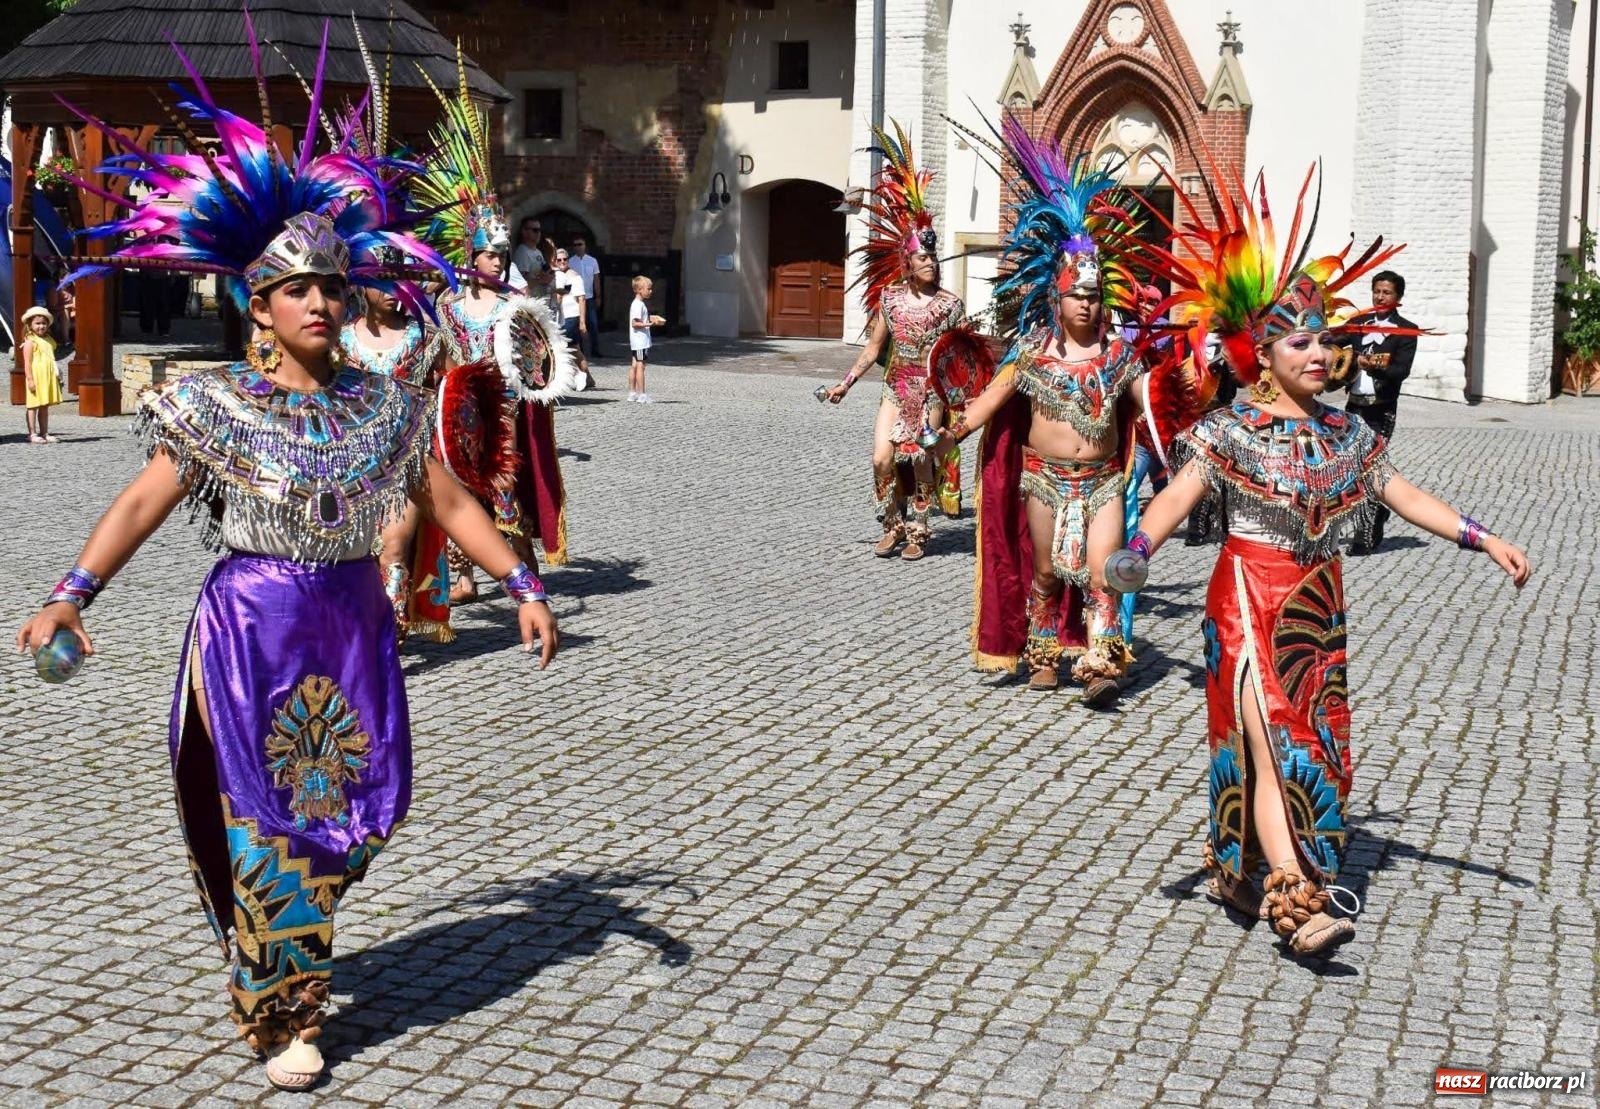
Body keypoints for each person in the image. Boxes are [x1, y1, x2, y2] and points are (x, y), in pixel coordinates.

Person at [15, 19, 558, 1091]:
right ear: (257, 304)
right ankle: (282, 1013)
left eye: (334, 286)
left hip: (352, 622)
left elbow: (446, 495)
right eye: (299, 288)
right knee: (271, 819)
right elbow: (144, 498)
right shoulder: (211, 404)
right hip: (252, 626)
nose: (322, 301)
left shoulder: (385, 406)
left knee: (359, 815)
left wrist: (523, 582)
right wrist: (73, 592)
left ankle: (279, 950)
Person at [1113, 166, 1529, 958]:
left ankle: (1241, 869)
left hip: (1314, 611)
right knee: (1273, 746)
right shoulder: (1230, 430)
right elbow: (1172, 498)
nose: (1319, 352)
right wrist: (1134, 550)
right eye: (1299, 339)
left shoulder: (1347, 437)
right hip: (1244, 599)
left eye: (1326, 339)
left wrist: (1482, 537)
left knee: (1316, 747)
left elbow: (1402, 494)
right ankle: (1296, 899)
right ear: (1262, 355)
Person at [933, 116, 1170, 706]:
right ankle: (1041, 652)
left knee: (1103, 575)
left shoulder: (1120, 355)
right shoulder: (1032, 353)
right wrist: (946, 435)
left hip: (1103, 481)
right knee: (1042, 574)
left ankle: (1099, 663)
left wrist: (1195, 397)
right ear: (1056, 299)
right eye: (1076, 296)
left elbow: (1157, 408)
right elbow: (988, 404)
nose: (1086, 305)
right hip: (1042, 479)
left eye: (1094, 296)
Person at [415, 61, 580, 603]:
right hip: (456, 412)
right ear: (470, 255)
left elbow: (538, 362)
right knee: (457, 490)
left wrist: (540, 380)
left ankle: (523, 575)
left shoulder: (518, 305)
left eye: (500, 254)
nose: (493, 261)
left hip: (502, 413)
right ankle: (460, 577)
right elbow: (438, 354)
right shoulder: (447, 302)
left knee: (503, 494)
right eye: (487, 253)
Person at [824, 122, 989, 561]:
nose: (931, 262)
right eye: (923, 256)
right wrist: (845, 382)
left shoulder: (951, 305)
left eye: (933, 256)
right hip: (896, 386)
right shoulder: (891, 299)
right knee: (882, 458)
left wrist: (971, 399)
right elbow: (873, 349)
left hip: (931, 391)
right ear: (908, 261)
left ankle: (919, 529)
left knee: (919, 459)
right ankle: (891, 524)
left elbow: (965, 358)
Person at [340, 277, 451, 642]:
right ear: (361, 286)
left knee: (394, 550)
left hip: (405, 463)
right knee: (349, 557)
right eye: (381, 283)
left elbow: (454, 395)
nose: (391, 292)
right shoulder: (337, 341)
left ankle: (388, 641)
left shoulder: (427, 340)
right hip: (346, 467)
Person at [1338, 270, 1417, 554]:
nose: (1380, 296)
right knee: (1348, 466)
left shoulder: (1407, 331)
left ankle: (1365, 531)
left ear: (1398, 298)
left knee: (1368, 466)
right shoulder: (1359, 323)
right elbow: (1331, 341)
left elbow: (1401, 371)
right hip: (1354, 406)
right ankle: (1376, 514)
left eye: (1387, 292)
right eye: (1377, 291)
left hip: (1381, 409)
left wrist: (1373, 364)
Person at [551, 248, 595, 389]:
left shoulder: (574, 276)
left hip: (571, 317)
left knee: (568, 348)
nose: (562, 262)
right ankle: (587, 377)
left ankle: (579, 376)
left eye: (565, 259)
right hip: (559, 317)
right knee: (574, 348)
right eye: (559, 259)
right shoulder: (555, 276)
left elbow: (582, 299)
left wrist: (582, 322)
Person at [20, 305, 62, 443]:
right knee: (33, 406)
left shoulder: (49, 340)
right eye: (37, 323)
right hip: (36, 377)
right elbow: (27, 362)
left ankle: (44, 432)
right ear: (30, 325)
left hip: (47, 377)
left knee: (44, 405)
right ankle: (32, 433)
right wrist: (30, 379)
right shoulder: (30, 342)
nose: (41, 326)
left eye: (44, 323)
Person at [628, 275, 665, 402]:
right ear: (639, 290)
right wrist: (650, 324)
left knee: (634, 365)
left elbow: (639, 320)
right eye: (648, 289)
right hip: (640, 341)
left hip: (637, 341)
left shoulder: (638, 304)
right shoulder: (638, 305)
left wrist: (650, 319)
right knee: (640, 366)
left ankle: (632, 393)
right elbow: (635, 323)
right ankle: (642, 394)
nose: (650, 291)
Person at [569, 235, 604, 359]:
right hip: (575, 298)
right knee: (578, 325)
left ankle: (595, 350)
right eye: (576, 245)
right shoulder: (570, 261)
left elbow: (596, 279)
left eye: (580, 244)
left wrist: (598, 296)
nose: (578, 247)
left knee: (593, 325)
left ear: (585, 246)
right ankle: (581, 351)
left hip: (589, 297)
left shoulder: (592, 261)